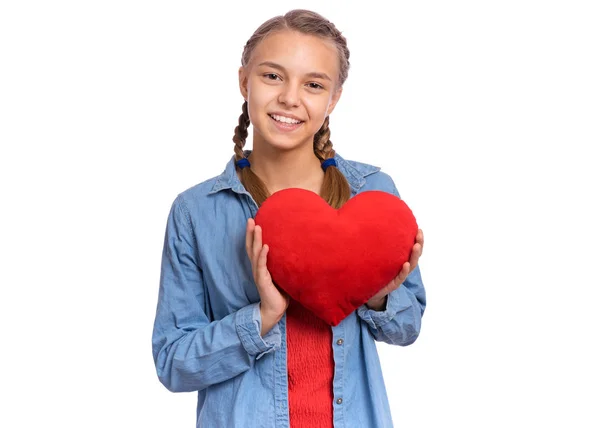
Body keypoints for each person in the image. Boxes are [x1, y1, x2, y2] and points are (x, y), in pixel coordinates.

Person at [152, 9, 426, 428]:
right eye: (272, 76)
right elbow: (173, 361)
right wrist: (261, 316)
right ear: (244, 81)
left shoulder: (373, 192)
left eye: (313, 84)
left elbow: (407, 327)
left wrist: (377, 296)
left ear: (333, 98)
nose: (290, 98)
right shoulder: (196, 211)